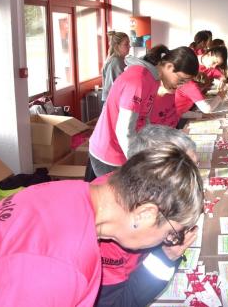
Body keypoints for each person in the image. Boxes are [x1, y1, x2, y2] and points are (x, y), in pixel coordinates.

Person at [0, 145, 204, 307]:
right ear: (147, 213)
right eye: (170, 233)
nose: (166, 241)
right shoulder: (60, 261)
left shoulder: (75, 195)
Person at [97, 126, 200, 306]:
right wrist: (165, 257)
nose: (194, 184)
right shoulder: (113, 231)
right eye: (185, 177)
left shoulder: (131, 195)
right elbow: (118, 303)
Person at [87, 45, 198, 179]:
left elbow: (144, 122)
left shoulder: (153, 79)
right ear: (168, 66)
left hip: (125, 149)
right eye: (180, 80)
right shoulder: (138, 80)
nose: (180, 86)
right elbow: (124, 131)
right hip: (111, 154)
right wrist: (140, 165)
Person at [101, 31, 130, 102]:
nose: (129, 46)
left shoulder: (120, 59)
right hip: (113, 102)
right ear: (117, 46)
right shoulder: (116, 61)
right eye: (126, 44)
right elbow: (121, 85)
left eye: (129, 43)